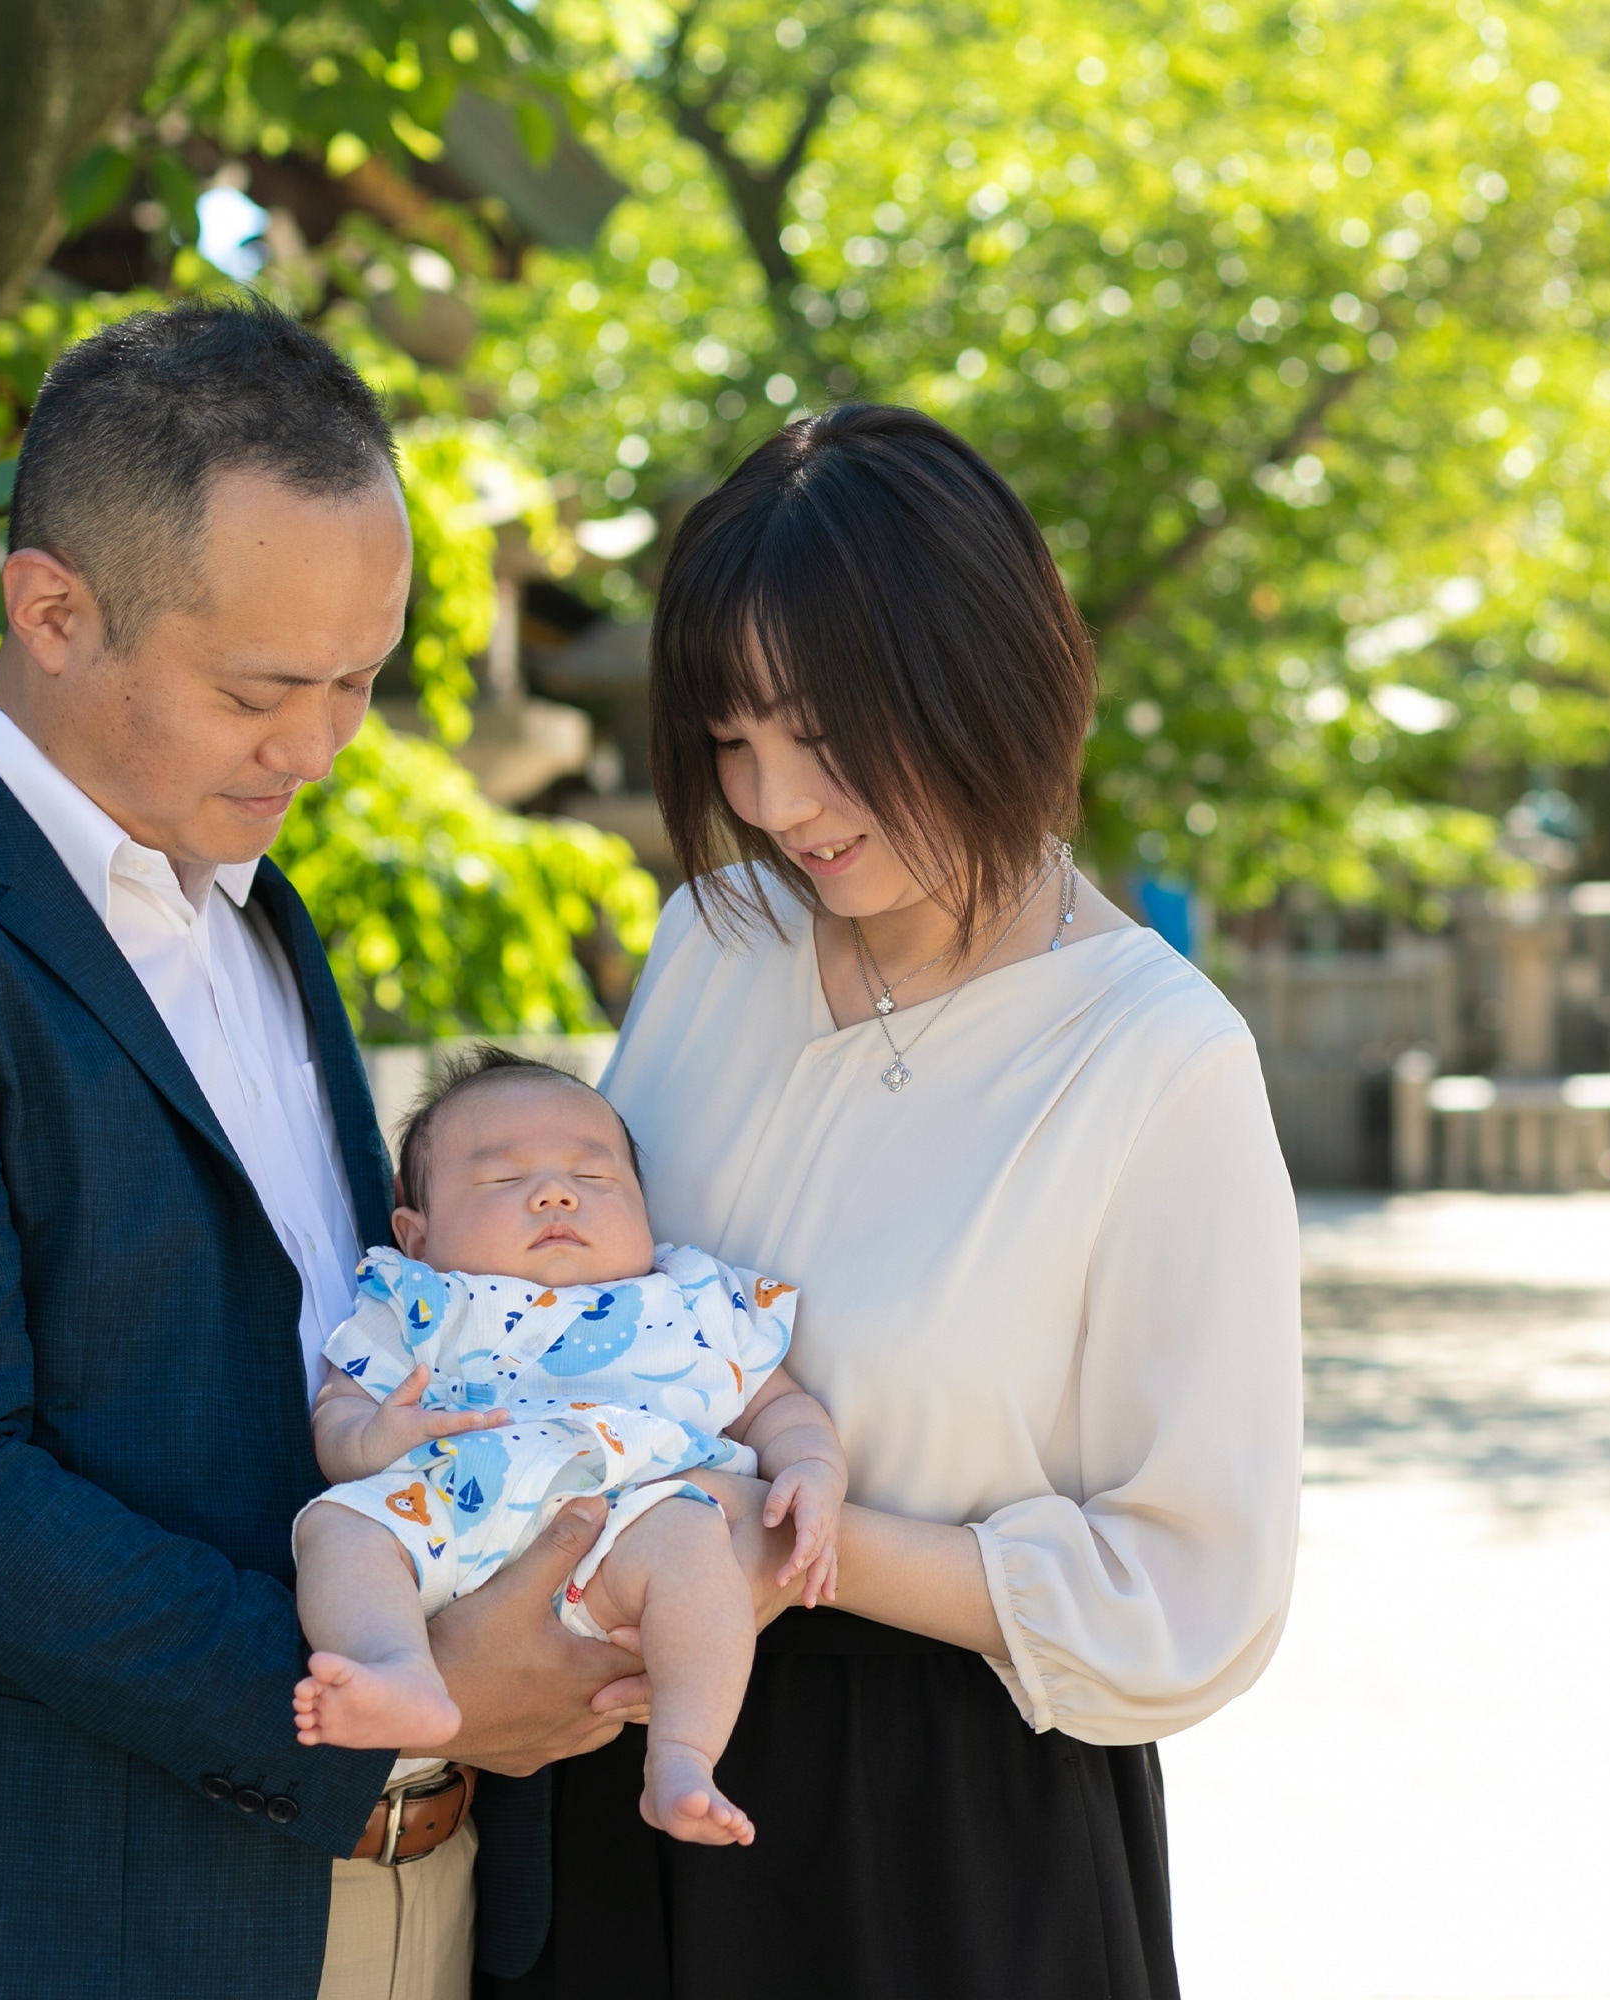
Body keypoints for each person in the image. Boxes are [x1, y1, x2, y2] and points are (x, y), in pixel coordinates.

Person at [0, 299, 647, 2000]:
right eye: (267, 688)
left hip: (438, 1900)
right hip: (79, 1925)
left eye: (362, 680)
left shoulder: (262, 912)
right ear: (51, 609)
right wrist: (389, 1687)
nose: (326, 746)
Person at [488, 404, 1304, 2000]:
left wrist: (797, 1545)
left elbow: (1191, 1591)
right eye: (733, 739)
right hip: (613, 1780)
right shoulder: (713, 942)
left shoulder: (1155, 1058)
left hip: (929, 1828)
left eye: (819, 727)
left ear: (978, 669)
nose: (778, 799)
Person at [289, 1047, 847, 1848]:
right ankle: (402, 1669)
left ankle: (683, 1755)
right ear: (416, 1234)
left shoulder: (687, 1300)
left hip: (626, 1518)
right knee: (336, 1528)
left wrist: (815, 1468)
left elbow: (778, 1403)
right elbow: (339, 1410)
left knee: (697, 1547)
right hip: (447, 1506)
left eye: (594, 1178)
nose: (554, 1194)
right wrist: (369, 1439)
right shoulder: (419, 1300)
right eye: (499, 1180)